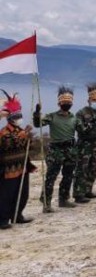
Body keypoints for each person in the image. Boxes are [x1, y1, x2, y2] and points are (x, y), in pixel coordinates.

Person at [33, 86, 78, 212]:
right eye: (64, 101)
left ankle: (63, 199)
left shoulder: (74, 118)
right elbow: (38, 124)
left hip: (70, 149)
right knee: (51, 177)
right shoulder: (52, 116)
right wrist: (37, 113)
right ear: (59, 103)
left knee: (68, 175)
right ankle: (46, 203)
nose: (66, 103)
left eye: (69, 101)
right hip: (56, 150)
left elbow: (82, 130)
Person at [0, 92, 36, 228]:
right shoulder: (4, 132)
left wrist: (29, 139)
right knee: (7, 195)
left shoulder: (20, 130)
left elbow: (28, 146)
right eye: (16, 117)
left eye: (20, 116)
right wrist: (24, 135)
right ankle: (3, 219)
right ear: (10, 118)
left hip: (22, 167)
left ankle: (17, 215)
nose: (19, 119)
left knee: (23, 193)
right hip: (9, 169)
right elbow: (9, 143)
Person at [73, 82, 96, 204]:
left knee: (93, 169)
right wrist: (89, 123)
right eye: (94, 99)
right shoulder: (81, 113)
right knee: (82, 169)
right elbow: (79, 129)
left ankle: (88, 190)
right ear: (89, 100)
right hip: (84, 145)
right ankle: (78, 193)